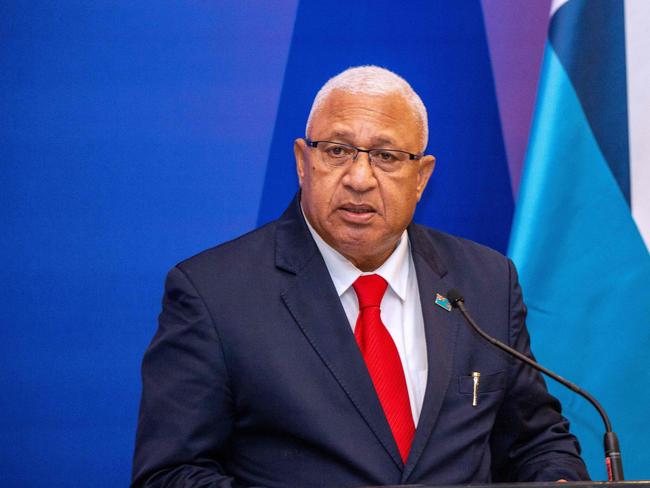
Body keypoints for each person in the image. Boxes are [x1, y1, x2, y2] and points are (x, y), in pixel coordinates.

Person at [132, 66, 589, 487]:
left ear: (421, 177)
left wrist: (558, 478)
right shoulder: (215, 294)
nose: (359, 178)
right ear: (302, 160)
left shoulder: (485, 282)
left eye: (387, 156)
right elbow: (171, 474)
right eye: (337, 150)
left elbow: (534, 442)